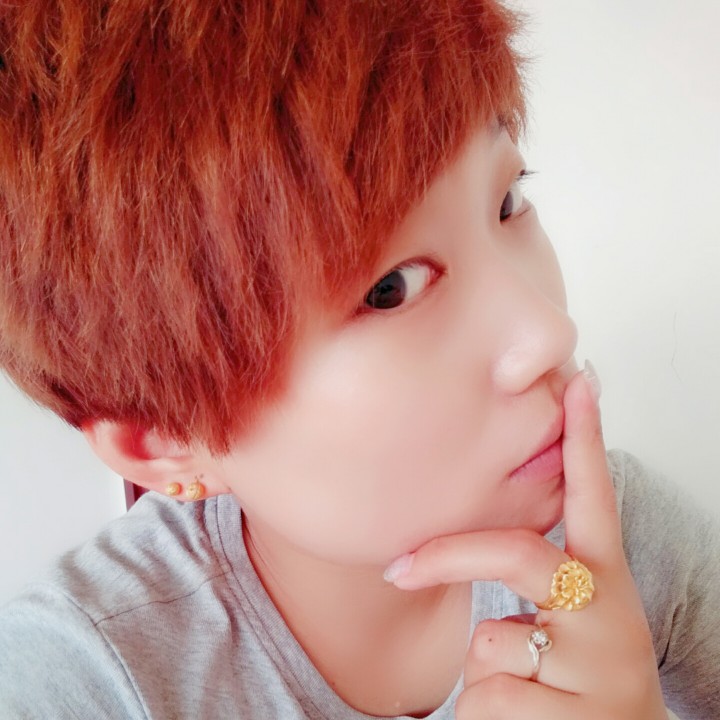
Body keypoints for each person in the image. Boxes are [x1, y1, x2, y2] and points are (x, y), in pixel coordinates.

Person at [0, 1, 717, 718]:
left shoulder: (621, 550)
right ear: (166, 441)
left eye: (507, 201)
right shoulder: (78, 680)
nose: (551, 332)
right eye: (390, 288)